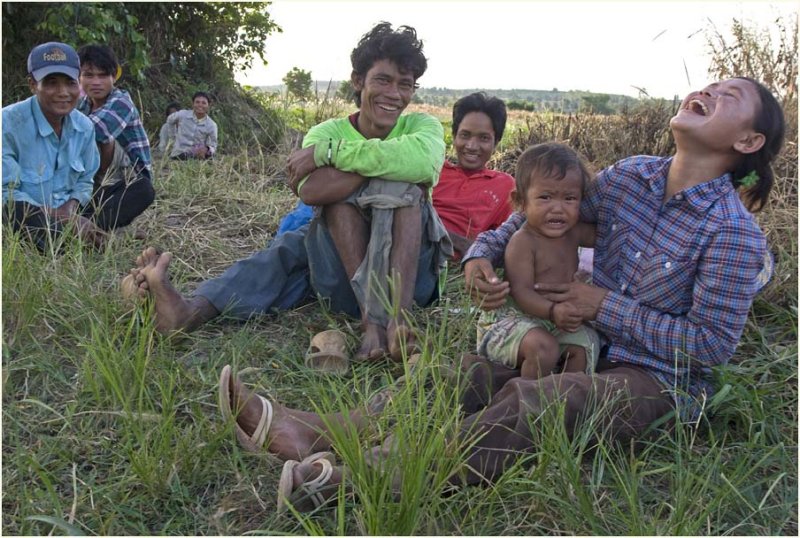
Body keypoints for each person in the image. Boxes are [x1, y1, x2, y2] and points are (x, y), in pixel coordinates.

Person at [216, 76, 785, 509]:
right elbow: (538, 218)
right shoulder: (630, 177)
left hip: (655, 377)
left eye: (729, 94)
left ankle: (377, 476)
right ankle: (316, 431)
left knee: (545, 399)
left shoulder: (732, 232)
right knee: (461, 373)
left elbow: (709, 346)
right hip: (581, 339)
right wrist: (484, 257)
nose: (709, 89)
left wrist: (605, 306)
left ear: (748, 139)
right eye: (710, 83)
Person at [128, 23, 449, 362]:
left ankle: (397, 321)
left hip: (411, 282)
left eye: (405, 85)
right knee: (298, 240)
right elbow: (313, 190)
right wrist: (390, 162)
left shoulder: (421, 126)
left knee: (403, 187)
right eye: (382, 80)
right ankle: (189, 311)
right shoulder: (326, 130)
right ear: (358, 81)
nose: (394, 94)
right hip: (343, 276)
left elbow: (424, 165)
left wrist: (330, 156)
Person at [274, 91, 515, 259]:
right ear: (454, 136)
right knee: (298, 241)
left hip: (420, 254)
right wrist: (461, 243)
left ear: (497, 142)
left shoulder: (504, 186)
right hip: (382, 231)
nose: (472, 146)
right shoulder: (431, 168)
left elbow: (503, 239)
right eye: (465, 135)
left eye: (484, 138)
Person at [478, 143, 599, 380]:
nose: (558, 209)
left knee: (584, 349)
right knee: (544, 349)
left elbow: (612, 234)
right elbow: (522, 293)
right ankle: (527, 400)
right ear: (520, 201)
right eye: (545, 197)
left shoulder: (574, 232)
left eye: (569, 198)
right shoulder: (523, 242)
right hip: (516, 319)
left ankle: (561, 401)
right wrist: (553, 311)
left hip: (557, 319)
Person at [2, 42, 103, 251]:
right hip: (30, 214)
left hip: (69, 209)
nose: (63, 92)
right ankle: (77, 238)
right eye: (51, 83)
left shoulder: (84, 126)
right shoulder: (8, 123)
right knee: (14, 212)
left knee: (140, 190)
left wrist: (71, 209)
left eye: (70, 82)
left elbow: (86, 179)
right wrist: (60, 217)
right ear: (32, 84)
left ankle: (75, 234)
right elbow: (6, 192)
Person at [77, 44, 155, 231]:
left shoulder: (121, 102)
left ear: (113, 77)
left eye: (103, 75)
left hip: (125, 182)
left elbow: (93, 132)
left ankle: (87, 227)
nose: (96, 82)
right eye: (88, 75)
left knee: (102, 139)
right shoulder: (82, 104)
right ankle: (88, 224)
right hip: (89, 184)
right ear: (79, 78)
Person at [168, 92, 218, 160]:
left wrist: (207, 149)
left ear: (208, 105)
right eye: (197, 102)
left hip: (196, 158)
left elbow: (213, 146)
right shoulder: (183, 115)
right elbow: (170, 120)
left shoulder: (212, 125)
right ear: (193, 104)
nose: (200, 105)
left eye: (204, 103)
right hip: (178, 155)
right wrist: (173, 138)